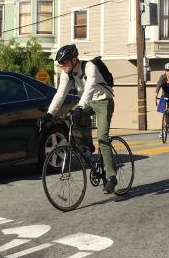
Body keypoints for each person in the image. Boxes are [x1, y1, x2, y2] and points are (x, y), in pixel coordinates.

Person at [44, 44, 117, 194]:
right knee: (69, 120)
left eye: (64, 62)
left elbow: (89, 89)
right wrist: (49, 113)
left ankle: (111, 177)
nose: (62, 66)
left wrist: (79, 107)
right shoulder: (67, 74)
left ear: (74, 59)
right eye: (60, 64)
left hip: (104, 102)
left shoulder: (90, 67)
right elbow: (60, 94)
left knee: (102, 137)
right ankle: (87, 151)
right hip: (88, 103)